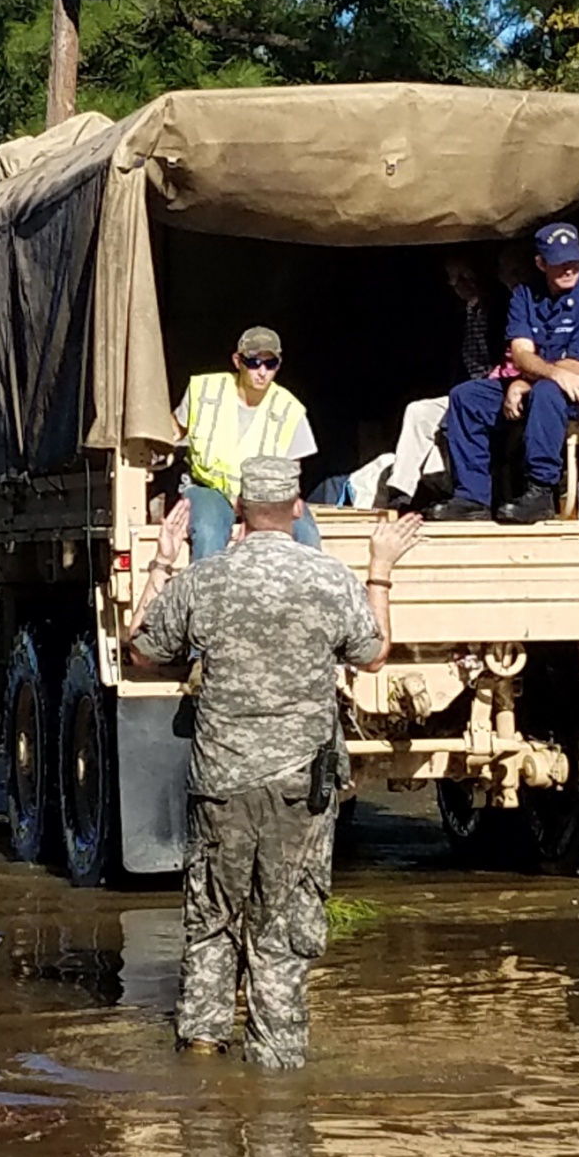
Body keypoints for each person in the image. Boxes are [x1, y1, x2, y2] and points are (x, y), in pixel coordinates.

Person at [128, 456, 422, 1069]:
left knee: (212, 920)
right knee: (283, 932)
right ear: (297, 508)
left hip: (221, 784)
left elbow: (143, 648)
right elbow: (373, 655)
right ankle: (275, 1080)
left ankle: (203, 1058)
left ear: (237, 508)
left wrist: (160, 560)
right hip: (298, 788)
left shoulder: (206, 580)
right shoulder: (328, 579)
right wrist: (381, 569)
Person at [429, 222, 579, 525]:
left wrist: (525, 383)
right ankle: (472, 497)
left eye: (574, 261)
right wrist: (525, 379)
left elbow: (578, 367)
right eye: (560, 262)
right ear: (541, 263)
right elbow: (522, 353)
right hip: (536, 381)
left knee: (547, 392)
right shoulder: (526, 294)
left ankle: (540, 491)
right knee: (466, 396)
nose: (569, 269)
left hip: (571, 394)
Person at [174, 325, 320, 560]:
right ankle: (207, 594)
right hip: (209, 489)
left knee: (308, 534)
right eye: (253, 362)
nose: (262, 371)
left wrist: (260, 515)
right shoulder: (205, 390)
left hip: (269, 497)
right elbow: (171, 431)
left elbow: (293, 473)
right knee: (209, 532)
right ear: (237, 361)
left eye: (270, 364)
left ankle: (307, 593)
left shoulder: (289, 409)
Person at [385, 253, 513, 515]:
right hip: (463, 393)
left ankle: (448, 491)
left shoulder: (503, 307)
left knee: (453, 418)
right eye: (452, 279)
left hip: (498, 391)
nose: (458, 285)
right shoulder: (460, 313)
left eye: (464, 276)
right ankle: (401, 492)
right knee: (418, 411)